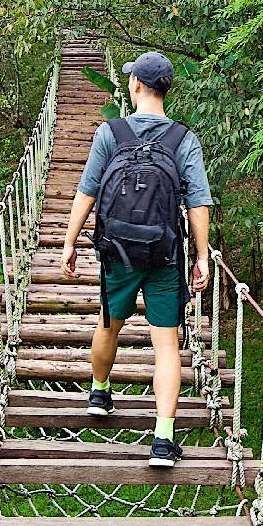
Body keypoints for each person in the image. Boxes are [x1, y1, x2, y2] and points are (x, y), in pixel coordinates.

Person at [59, 51, 212, 467]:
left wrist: (70, 242)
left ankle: (99, 391)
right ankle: (162, 439)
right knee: (167, 344)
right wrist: (201, 256)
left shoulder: (111, 133)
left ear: (136, 85)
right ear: (167, 89)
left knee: (109, 323)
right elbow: (198, 204)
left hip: (117, 251)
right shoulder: (184, 139)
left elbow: (87, 191)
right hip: (163, 254)